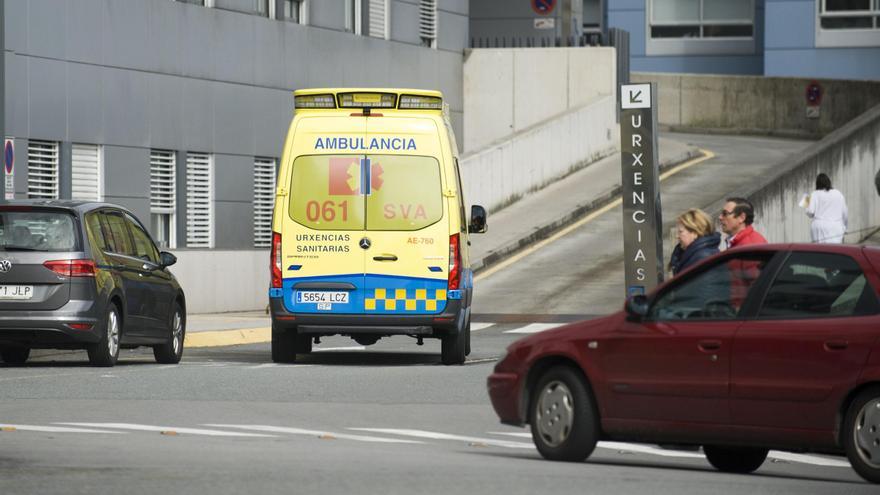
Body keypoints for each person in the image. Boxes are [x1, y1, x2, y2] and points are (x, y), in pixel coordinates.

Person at [669, 208, 720, 276]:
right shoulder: (690, 253)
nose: (677, 236)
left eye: (680, 232)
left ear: (695, 232)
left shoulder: (702, 258)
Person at [805, 173, 847, 244]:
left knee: (820, 251)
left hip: (819, 227)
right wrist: (845, 227)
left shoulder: (814, 194)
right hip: (835, 226)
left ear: (817, 184)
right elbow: (845, 213)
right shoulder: (838, 193)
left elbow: (810, 212)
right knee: (835, 251)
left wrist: (806, 200)